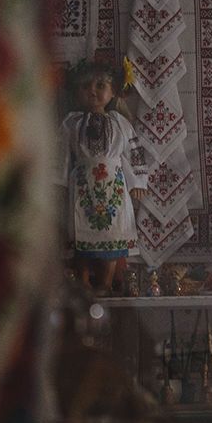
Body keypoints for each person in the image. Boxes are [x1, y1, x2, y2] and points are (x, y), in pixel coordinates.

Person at [59, 58, 146, 293]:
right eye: (86, 86)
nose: (92, 92)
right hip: (83, 183)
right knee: (81, 232)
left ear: (113, 91)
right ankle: (83, 279)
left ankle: (107, 281)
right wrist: (59, 182)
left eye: (100, 86)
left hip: (113, 186)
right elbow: (62, 155)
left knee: (113, 232)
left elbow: (133, 154)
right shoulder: (71, 123)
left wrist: (137, 181)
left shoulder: (120, 123)